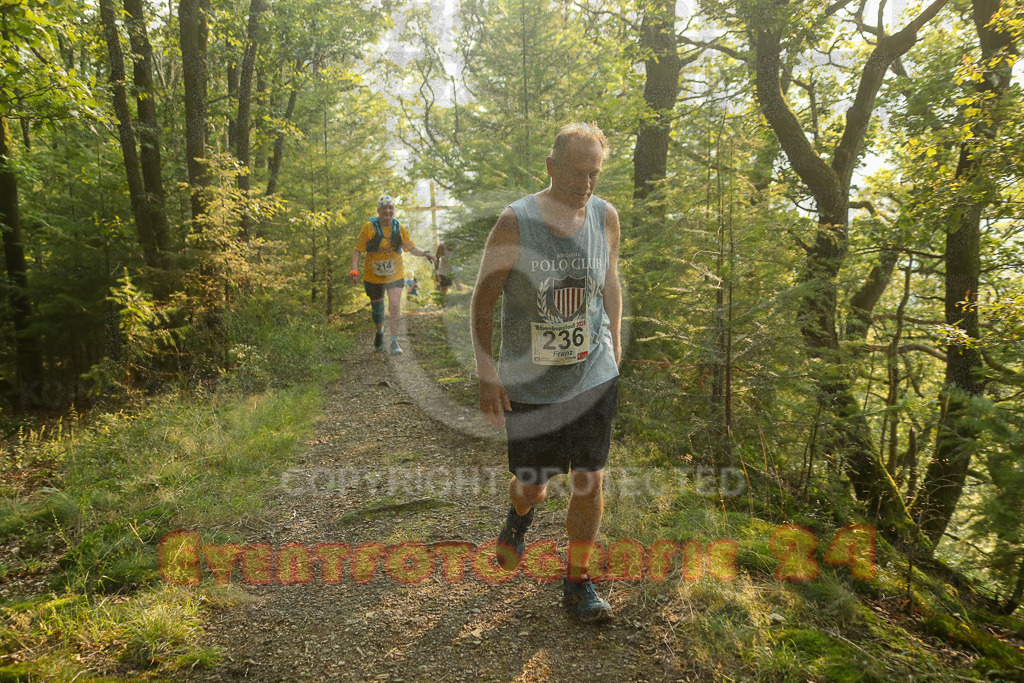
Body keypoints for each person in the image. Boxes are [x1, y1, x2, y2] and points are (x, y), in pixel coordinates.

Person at [470, 123, 622, 623]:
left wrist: (614, 349)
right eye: (576, 172)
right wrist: (487, 373)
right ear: (552, 167)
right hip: (531, 384)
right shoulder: (516, 222)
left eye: (594, 173)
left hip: (592, 375)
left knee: (588, 481)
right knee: (531, 483)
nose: (586, 183)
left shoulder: (605, 218)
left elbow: (610, 284)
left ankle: (578, 583)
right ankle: (519, 517)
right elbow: (484, 299)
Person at [351, 195, 435, 354]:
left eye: (391, 208)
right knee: (378, 310)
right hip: (373, 275)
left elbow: (411, 248)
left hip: (394, 273)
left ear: (394, 210)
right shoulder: (369, 227)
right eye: (384, 208)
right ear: (378, 210)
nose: (388, 211)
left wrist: (426, 253)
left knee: (395, 306)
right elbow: (358, 250)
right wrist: (354, 269)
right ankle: (379, 331)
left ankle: (394, 341)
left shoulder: (399, 228)